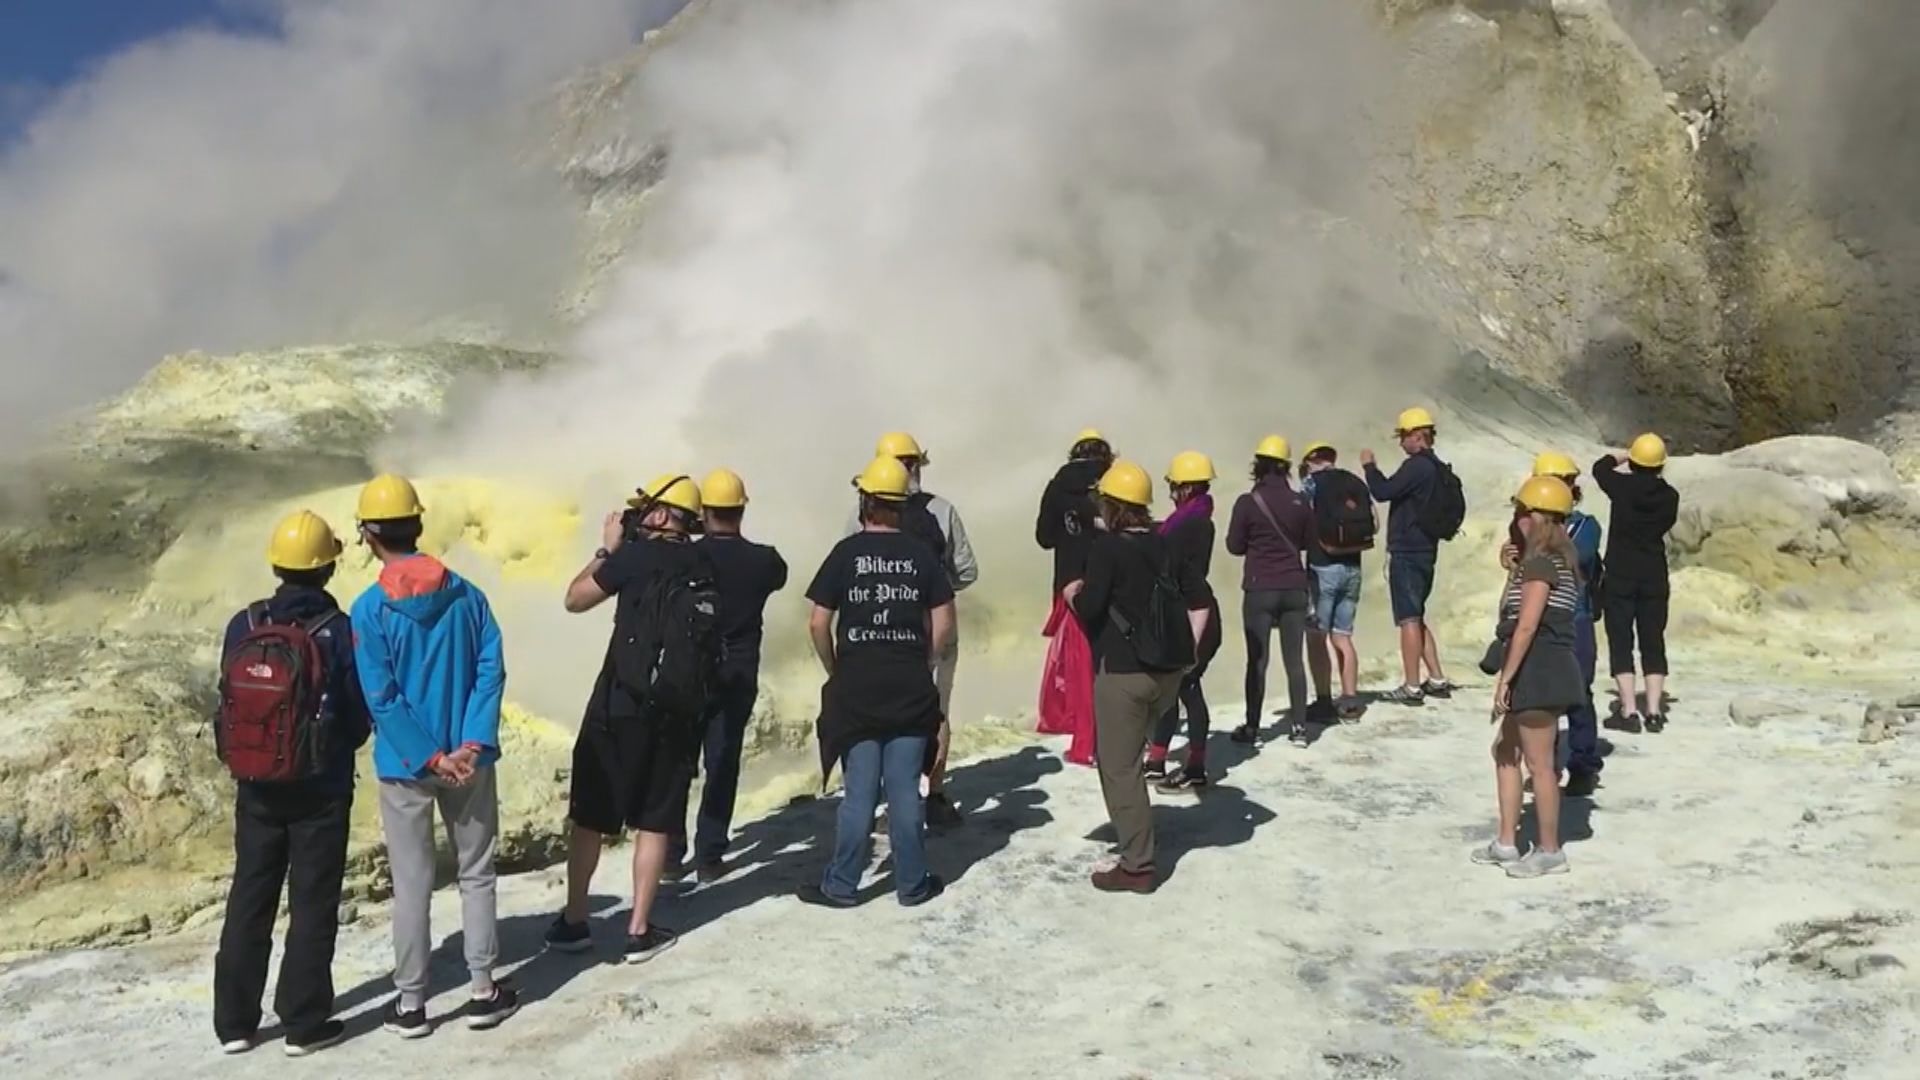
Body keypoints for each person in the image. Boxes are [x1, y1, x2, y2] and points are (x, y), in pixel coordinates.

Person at [350, 475, 515, 1036]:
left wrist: (427, 756)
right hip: (471, 763)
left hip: (406, 769)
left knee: (412, 885)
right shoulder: (469, 596)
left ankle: (412, 1004)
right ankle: (483, 989)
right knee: (477, 874)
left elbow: (382, 696)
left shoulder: (369, 610)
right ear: (417, 525)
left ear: (369, 535)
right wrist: (470, 743)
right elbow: (490, 670)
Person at [212, 511, 370, 1058]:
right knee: (312, 900)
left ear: (278, 564)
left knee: (250, 895)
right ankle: (304, 1022)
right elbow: (356, 711)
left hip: (255, 784)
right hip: (320, 788)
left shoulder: (245, 623)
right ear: (328, 567)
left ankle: (234, 1022)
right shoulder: (339, 631)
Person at [547, 475, 714, 963]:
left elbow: (575, 599)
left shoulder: (632, 558)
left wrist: (607, 550)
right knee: (656, 821)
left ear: (662, 516)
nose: (638, 516)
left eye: (646, 509)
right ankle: (639, 929)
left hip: (618, 705)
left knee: (591, 816)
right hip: (677, 710)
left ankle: (575, 920)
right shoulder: (704, 564)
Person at [801, 456, 954, 907]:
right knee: (906, 789)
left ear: (866, 501)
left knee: (859, 794)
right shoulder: (921, 555)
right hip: (908, 685)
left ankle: (842, 885)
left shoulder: (845, 553)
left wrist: (836, 668)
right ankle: (911, 884)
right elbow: (943, 623)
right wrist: (923, 661)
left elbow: (817, 623)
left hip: (857, 687)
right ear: (902, 507)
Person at [1074, 461, 1210, 893]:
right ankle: (1138, 847)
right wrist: (1188, 657)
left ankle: (1137, 866)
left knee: (1120, 769)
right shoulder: (1166, 543)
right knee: (1130, 763)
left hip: (1124, 676)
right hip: (1167, 675)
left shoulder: (1107, 550)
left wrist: (1073, 595)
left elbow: (1091, 609)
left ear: (1112, 506)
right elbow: (1200, 600)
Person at [847, 432, 978, 828]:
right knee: (936, 711)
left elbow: (851, 569)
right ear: (917, 465)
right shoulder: (942, 509)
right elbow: (968, 571)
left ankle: (888, 802)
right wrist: (936, 591)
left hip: (881, 629)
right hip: (938, 626)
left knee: (885, 714)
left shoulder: (863, 515)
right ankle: (934, 795)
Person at [670, 469, 787, 883]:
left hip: (686, 674)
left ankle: (668, 856)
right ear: (741, 509)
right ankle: (709, 856)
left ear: (703, 511)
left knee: (678, 761)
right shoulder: (764, 560)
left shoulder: (683, 558)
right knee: (721, 763)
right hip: (736, 674)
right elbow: (779, 576)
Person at [1474, 476, 1584, 879]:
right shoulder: (1548, 563)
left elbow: (1524, 626)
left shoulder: (1543, 564)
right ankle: (1506, 842)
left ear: (1544, 519)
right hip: (1539, 667)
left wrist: (1505, 679)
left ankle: (1550, 850)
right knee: (1505, 750)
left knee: (1540, 764)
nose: (1518, 519)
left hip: (1539, 669)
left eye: (1525, 512)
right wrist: (1511, 570)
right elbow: (1509, 611)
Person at [1513, 452, 1605, 796]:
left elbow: (1574, 559)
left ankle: (1583, 764)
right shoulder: (1525, 527)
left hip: (1575, 620)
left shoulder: (1586, 526)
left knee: (1579, 694)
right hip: (1542, 620)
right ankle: (1544, 765)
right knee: (1540, 698)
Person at [1361, 407, 1457, 706]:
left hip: (1408, 550)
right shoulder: (1438, 467)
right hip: (1426, 548)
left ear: (1418, 436)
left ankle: (1412, 685)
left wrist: (1369, 467)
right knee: (1417, 615)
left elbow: (1382, 491)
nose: (1401, 442)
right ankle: (1437, 678)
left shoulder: (1416, 467)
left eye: (1403, 436)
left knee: (1408, 619)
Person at [1225, 436, 1316, 746]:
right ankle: (1300, 729)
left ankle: (1252, 728)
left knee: (1258, 661)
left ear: (1258, 466)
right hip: (1294, 587)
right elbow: (1308, 542)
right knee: (1295, 660)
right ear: (1286, 467)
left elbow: (1234, 547)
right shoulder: (1301, 502)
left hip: (1259, 589)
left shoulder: (1247, 503)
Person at [1144, 451, 1222, 792]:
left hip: (1194, 617)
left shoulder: (1187, 526)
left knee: (1184, 689)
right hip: (1194, 613)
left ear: (1187, 488)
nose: (1172, 493)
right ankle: (1160, 761)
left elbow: (1171, 553)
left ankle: (1193, 767)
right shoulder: (1197, 519)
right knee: (1176, 690)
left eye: (1175, 487)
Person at [1593, 434, 1680, 733]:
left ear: (1635, 462)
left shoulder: (1622, 487)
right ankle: (1654, 712)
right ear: (1660, 466)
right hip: (1654, 573)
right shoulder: (1670, 497)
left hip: (1620, 572)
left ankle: (1629, 711)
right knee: (1653, 640)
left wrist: (1621, 456)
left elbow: (1599, 468)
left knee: (1621, 640)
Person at [1035, 429, 1113, 765]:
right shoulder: (1113, 482)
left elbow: (1044, 538)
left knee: (1074, 664)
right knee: (1106, 661)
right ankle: (1102, 737)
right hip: (1109, 580)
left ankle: (1076, 732)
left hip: (1068, 584)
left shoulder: (1056, 487)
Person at [1298, 442, 1372, 722]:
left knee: (1316, 636)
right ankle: (1351, 700)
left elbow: (1296, 521)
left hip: (1322, 568)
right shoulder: (1354, 481)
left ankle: (1324, 700)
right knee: (1343, 636)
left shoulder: (1311, 486)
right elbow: (1373, 523)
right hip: (1353, 567)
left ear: (1311, 461)